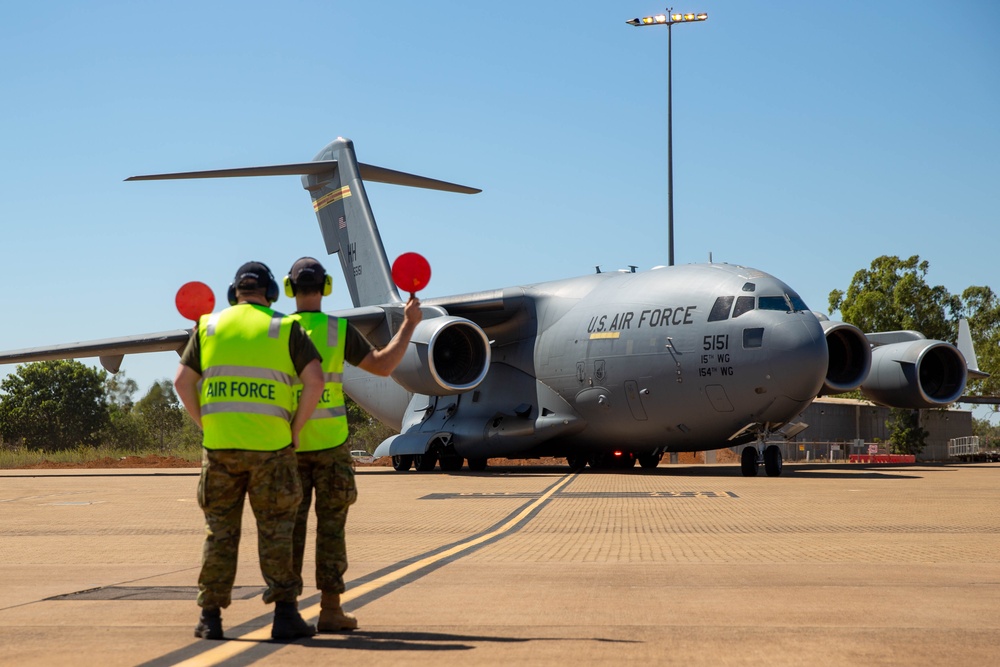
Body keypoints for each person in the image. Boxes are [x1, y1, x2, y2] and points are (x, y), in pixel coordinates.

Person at [174, 261, 325, 641]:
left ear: (234, 292)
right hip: (272, 448)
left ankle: (210, 617)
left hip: (220, 448)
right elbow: (315, 381)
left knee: (219, 534)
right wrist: (295, 429)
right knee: (277, 533)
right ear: (272, 292)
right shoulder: (285, 327)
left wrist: (207, 424)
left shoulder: (208, 326)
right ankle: (285, 615)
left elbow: (181, 382)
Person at [283, 256, 423, 632]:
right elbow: (382, 366)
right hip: (330, 446)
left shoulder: (275, 331)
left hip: (286, 448)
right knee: (331, 529)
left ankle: (287, 610)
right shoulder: (336, 330)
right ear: (326, 288)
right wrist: (408, 326)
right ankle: (330, 609)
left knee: (288, 530)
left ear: (288, 288)